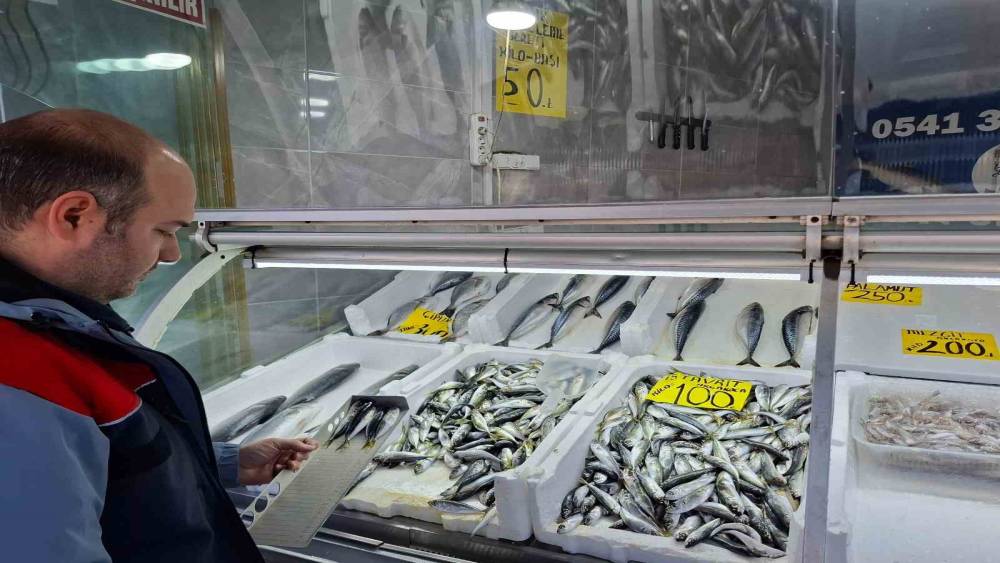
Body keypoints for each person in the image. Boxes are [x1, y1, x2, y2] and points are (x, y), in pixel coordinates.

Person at [0, 109, 318, 562]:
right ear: (74, 216)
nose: (171, 254)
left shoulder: (51, 322)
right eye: (164, 231)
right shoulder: (18, 379)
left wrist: (224, 463)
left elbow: (94, 462)